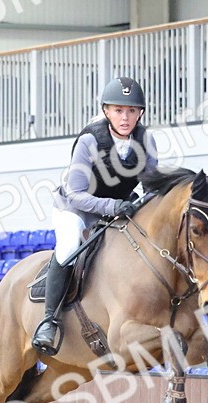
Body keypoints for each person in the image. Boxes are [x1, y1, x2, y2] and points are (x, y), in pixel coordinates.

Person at [32, 76, 160, 356]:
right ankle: (49, 320)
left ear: (140, 113)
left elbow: (152, 184)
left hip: (117, 206)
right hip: (75, 208)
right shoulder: (90, 140)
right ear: (106, 111)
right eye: (118, 110)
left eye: (131, 111)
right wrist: (113, 207)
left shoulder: (145, 140)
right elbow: (75, 193)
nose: (125, 117)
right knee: (68, 248)